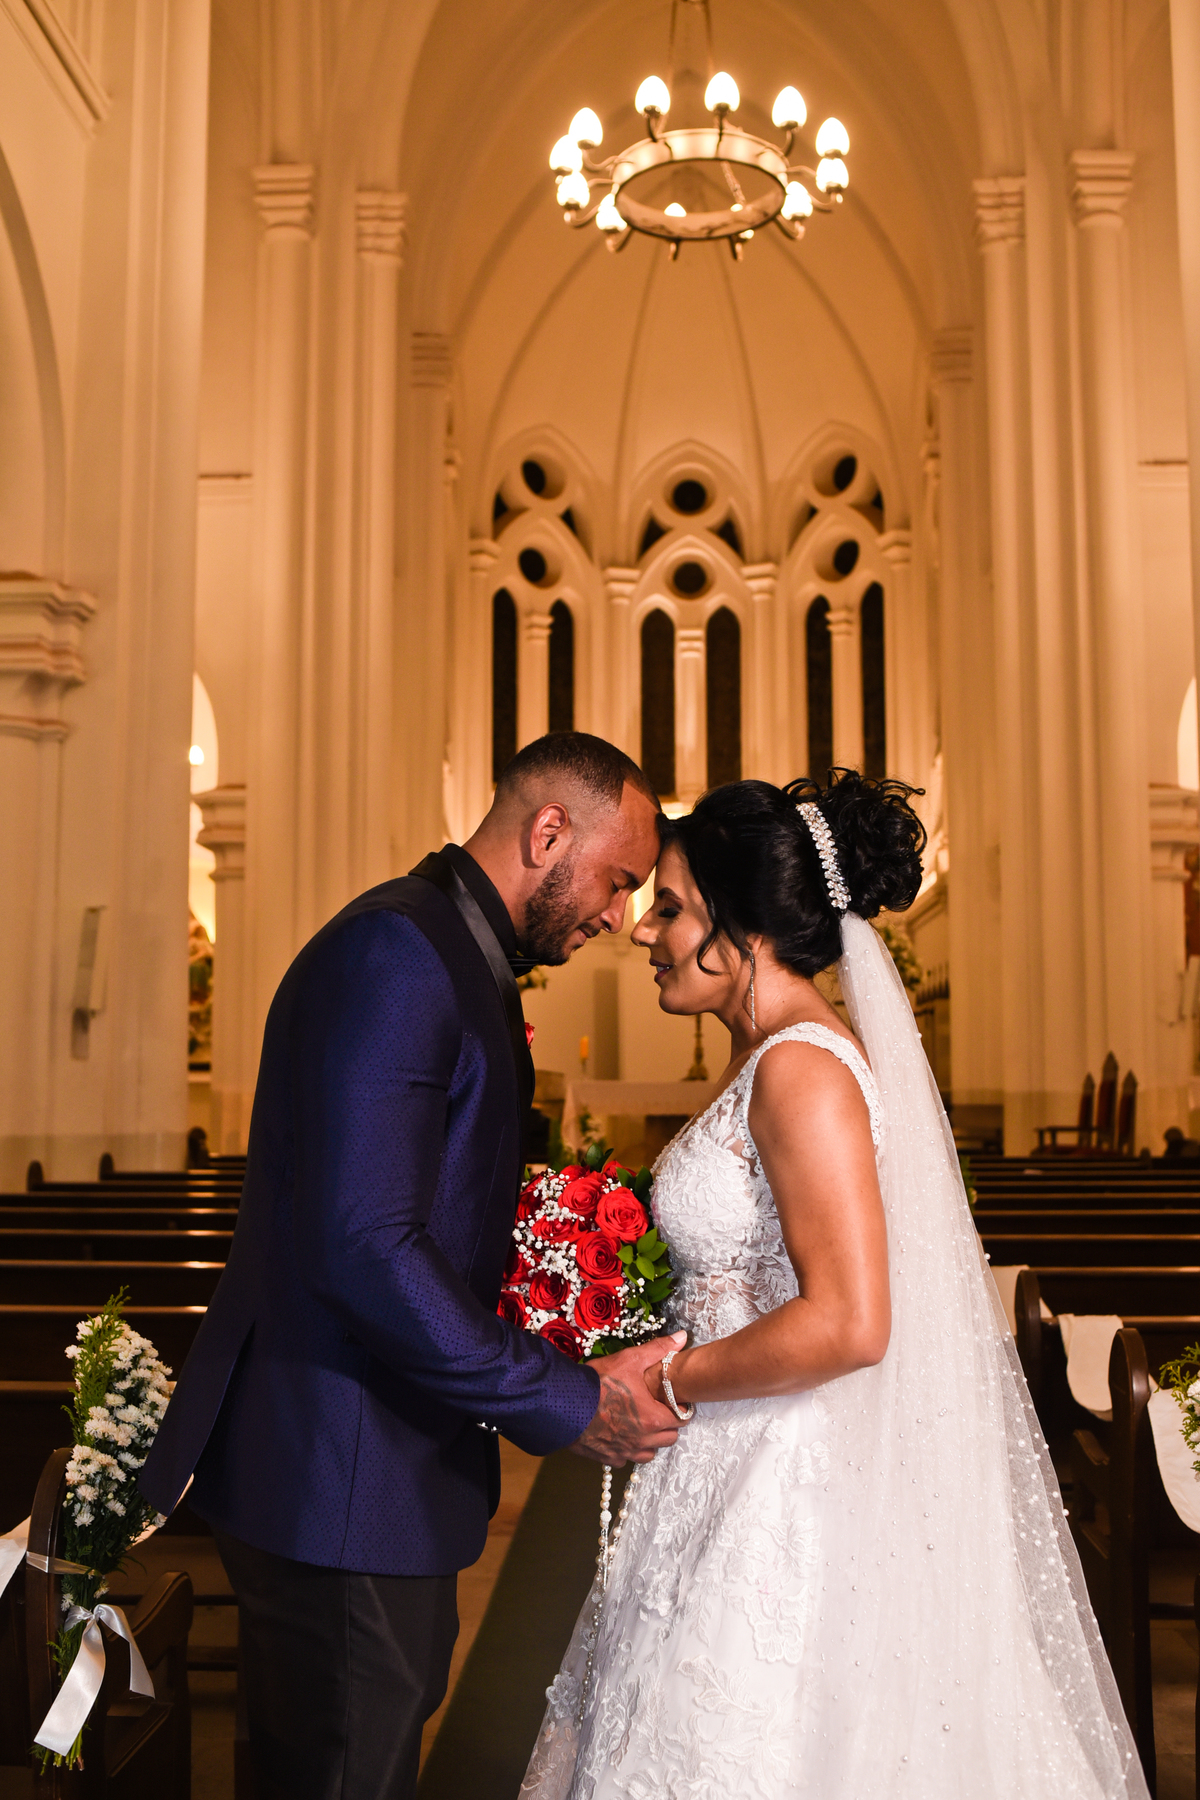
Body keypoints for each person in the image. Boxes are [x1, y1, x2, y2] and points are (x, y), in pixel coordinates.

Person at [521, 770, 1148, 1800]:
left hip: (781, 1479)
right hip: (732, 1454)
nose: (644, 932)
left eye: (669, 907)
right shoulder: (768, 1055)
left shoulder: (800, 1068)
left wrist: (671, 1378)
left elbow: (853, 1322)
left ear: (739, 922)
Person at [139, 731, 688, 1800]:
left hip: (372, 1473)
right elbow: (367, 1246)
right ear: (546, 834)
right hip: (344, 1476)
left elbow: (408, 1202)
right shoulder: (399, 955)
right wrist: (565, 1398)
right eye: (617, 882)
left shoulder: (447, 951)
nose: (618, 918)